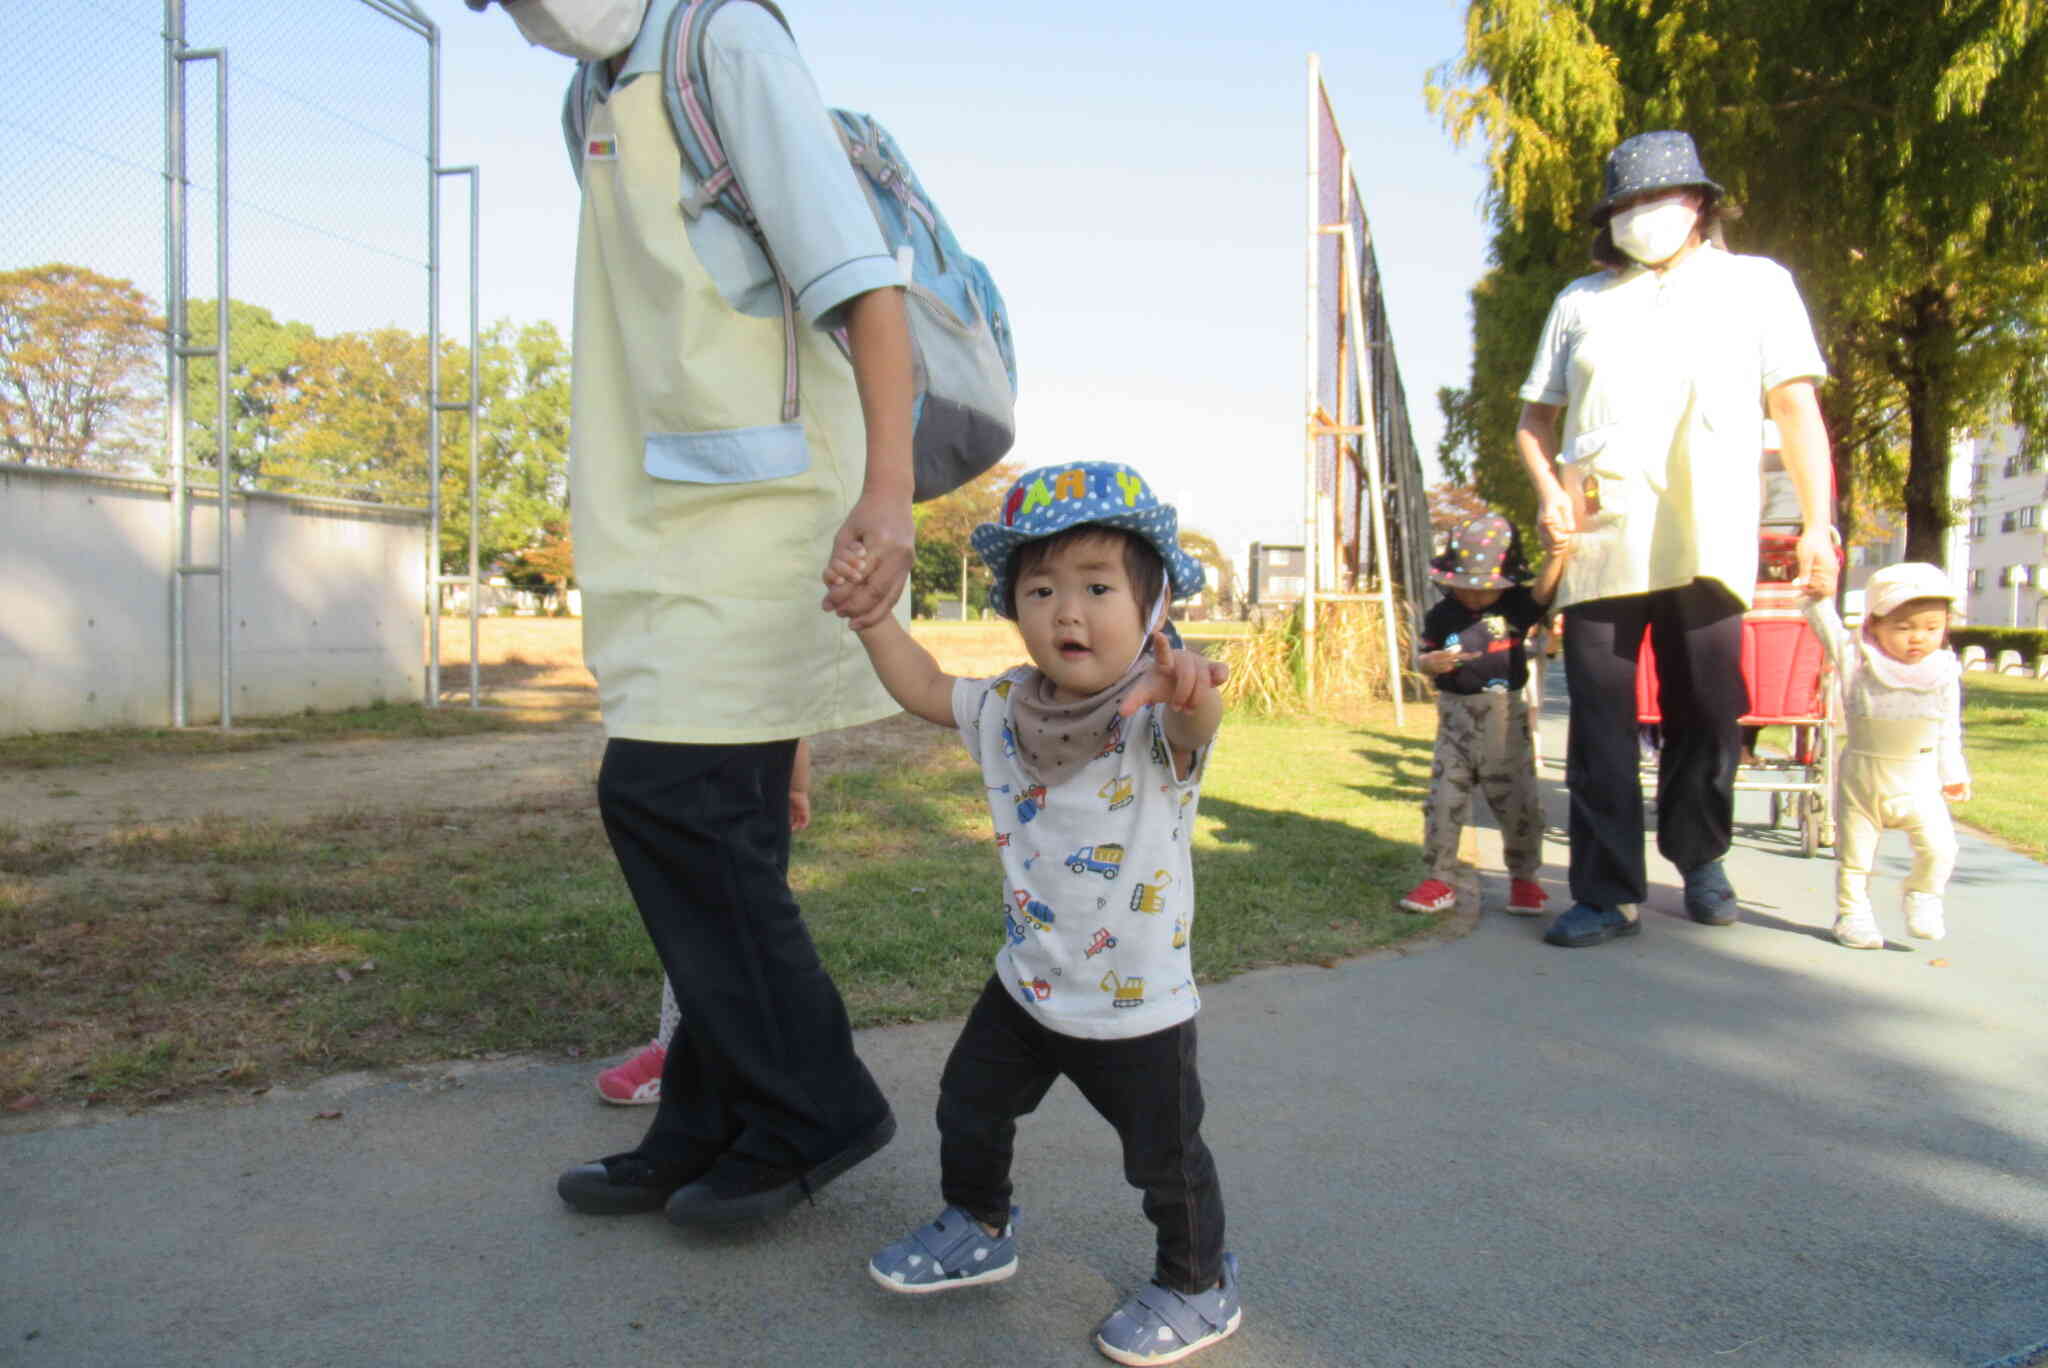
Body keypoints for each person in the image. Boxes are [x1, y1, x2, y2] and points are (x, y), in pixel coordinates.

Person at [469, 0, 915, 1224]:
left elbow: (863, 284)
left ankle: (816, 1106)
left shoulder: (726, 42)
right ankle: (711, 1119)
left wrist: (887, 495)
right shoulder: (590, 88)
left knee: (663, 802)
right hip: (660, 508)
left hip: (771, 510)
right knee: (724, 823)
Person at [844, 461, 1243, 1367]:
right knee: (967, 1105)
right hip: (1026, 985)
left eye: (1098, 588)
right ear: (1013, 607)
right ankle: (980, 1222)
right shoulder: (1003, 709)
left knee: (1164, 1161)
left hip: (1135, 1003)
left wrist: (1189, 686)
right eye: (1042, 588)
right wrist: (874, 620)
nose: (1068, 611)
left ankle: (1197, 1282)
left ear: (1150, 611)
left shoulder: (1152, 723)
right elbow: (920, 684)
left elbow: (1200, 722)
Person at [1514, 129, 1838, 949]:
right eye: (1625, 204)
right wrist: (1551, 490)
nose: (1641, 216)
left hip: (1708, 534)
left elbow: (1797, 409)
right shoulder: (1581, 302)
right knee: (1599, 723)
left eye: (1656, 200)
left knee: (1707, 709)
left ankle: (1700, 859)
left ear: (1699, 204)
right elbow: (1533, 421)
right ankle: (1606, 891)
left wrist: (1818, 524)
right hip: (1601, 540)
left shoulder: (1758, 287)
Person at [594, 740, 812, 1105]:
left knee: (711, 931)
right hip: (737, 786)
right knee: (725, 931)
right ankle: (737, 1058)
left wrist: (795, 785)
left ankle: (684, 1059)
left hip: (723, 793)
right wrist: (797, 784)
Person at [1399, 512, 1570, 920]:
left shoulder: (1514, 607)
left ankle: (1525, 880)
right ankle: (1440, 878)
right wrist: (1429, 663)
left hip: (1503, 720)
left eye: (1485, 592)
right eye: (1465, 589)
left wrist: (1557, 555)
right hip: (1455, 718)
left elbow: (1544, 594)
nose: (1474, 598)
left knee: (1519, 802)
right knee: (1443, 799)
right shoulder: (1443, 614)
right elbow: (1421, 657)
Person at [1802, 564, 1970, 949]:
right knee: (1855, 853)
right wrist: (1818, 595)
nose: (1918, 638)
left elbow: (1948, 727)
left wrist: (1954, 773)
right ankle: (1852, 913)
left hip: (1920, 776)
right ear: (1874, 625)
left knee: (1940, 846)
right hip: (1865, 773)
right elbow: (1826, 626)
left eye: (1931, 628)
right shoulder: (1858, 660)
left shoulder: (1943, 670)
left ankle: (1924, 894)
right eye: (1904, 627)